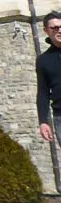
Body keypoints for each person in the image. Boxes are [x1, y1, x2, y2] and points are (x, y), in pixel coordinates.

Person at [37, 10, 61, 143]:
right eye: (55, 28)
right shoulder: (43, 60)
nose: (59, 30)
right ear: (46, 31)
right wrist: (43, 121)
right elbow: (42, 92)